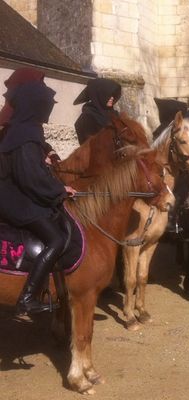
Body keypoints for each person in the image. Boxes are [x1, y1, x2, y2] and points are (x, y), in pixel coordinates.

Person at [0, 81, 76, 314]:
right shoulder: (27, 135)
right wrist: (60, 192)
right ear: (36, 106)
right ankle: (28, 297)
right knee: (56, 239)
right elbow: (30, 178)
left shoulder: (20, 130)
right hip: (16, 201)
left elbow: (33, 170)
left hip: (13, 195)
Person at [73, 77, 122, 144]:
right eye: (108, 95)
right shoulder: (86, 118)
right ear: (100, 94)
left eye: (113, 95)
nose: (112, 98)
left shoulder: (116, 115)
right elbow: (90, 146)